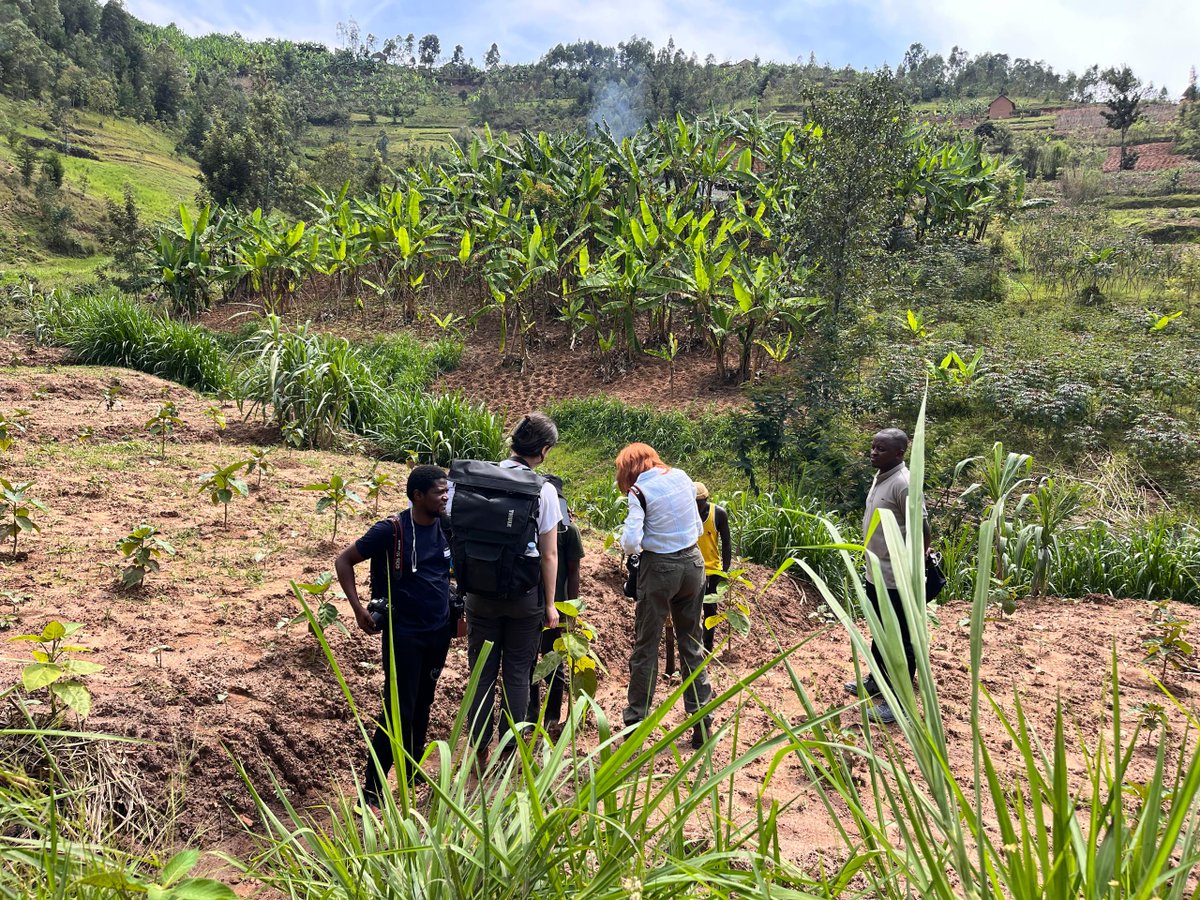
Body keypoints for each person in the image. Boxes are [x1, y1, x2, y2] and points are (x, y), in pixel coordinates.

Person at [334, 465, 453, 808]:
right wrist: (358, 611)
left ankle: (411, 770)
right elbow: (344, 561)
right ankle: (370, 793)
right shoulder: (391, 530)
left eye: (446, 491)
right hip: (404, 635)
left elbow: (447, 573)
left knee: (423, 704)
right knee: (396, 711)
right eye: (438, 493)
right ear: (417, 496)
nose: (445, 498)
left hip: (438, 633)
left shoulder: (445, 526)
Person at [454, 412, 561, 765]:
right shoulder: (542, 489)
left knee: (481, 673)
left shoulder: (475, 479)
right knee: (517, 672)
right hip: (523, 597)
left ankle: (480, 749)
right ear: (543, 450)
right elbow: (549, 555)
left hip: (479, 594)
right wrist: (550, 605)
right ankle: (508, 751)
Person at [617, 442, 714, 750]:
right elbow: (697, 526)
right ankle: (701, 721)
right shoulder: (683, 477)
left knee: (646, 645)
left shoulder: (638, 493)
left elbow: (631, 541)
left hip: (659, 569)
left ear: (629, 470)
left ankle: (636, 724)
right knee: (692, 642)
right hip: (693, 564)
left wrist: (638, 544)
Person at [844, 428, 932, 726]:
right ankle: (878, 681)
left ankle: (899, 703)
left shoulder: (904, 484)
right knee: (880, 632)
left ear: (899, 453)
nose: (873, 452)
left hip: (897, 579)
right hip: (876, 572)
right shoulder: (882, 476)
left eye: (880, 449)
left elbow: (922, 527)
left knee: (901, 640)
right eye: (872, 447)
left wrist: (914, 568)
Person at [526, 474, 585, 738]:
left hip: (555, 606)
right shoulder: (534, 526)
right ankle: (531, 711)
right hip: (530, 604)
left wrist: (570, 611)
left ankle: (551, 715)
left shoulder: (568, 531)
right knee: (528, 661)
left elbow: (574, 572)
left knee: (552, 662)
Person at [694, 482, 732, 653]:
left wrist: (725, 569)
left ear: (705, 499)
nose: (695, 506)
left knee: (710, 609)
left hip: (712, 569)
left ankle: (707, 647)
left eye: (698, 502)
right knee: (691, 609)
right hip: (692, 569)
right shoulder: (686, 514)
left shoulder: (718, 514)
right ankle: (693, 646)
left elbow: (726, 543)